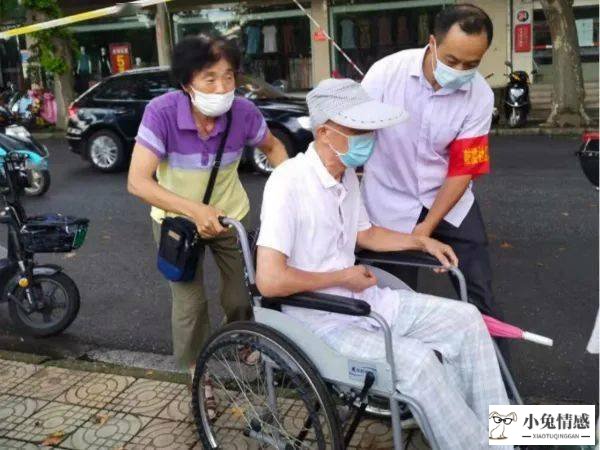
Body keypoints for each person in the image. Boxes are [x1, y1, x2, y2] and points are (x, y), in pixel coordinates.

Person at [256, 78, 512, 450]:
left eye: (369, 129)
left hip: (365, 304)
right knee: (420, 362)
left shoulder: (345, 175)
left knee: (467, 320)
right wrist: (343, 275)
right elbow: (269, 281)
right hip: (318, 321)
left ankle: (499, 436)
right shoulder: (287, 183)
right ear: (326, 133)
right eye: (359, 130)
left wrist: (421, 239)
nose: (369, 138)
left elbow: (367, 235)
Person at [128, 35, 288, 380]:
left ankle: (243, 339)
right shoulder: (161, 113)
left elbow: (273, 148)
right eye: (210, 78)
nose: (221, 87)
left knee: (241, 294)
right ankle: (197, 374)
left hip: (230, 217)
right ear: (188, 83)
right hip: (175, 223)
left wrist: (290, 192)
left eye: (228, 76)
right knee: (190, 305)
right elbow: (138, 182)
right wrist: (194, 211)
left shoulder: (243, 112)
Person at [360, 4, 508, 355]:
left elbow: (461, 171)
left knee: (477, 290)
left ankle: (494, 379)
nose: (460, 71)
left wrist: (426, 228)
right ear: (432, 43)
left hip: (449, 202)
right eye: (453, 61)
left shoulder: (480, 97)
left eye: (472, 65)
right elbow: (352, 134)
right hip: (388, 199)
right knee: (391, 295)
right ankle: (399, 382)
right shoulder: (385, 74)